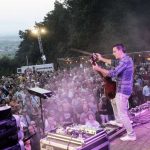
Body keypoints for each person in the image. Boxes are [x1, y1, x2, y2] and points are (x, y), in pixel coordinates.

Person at [92, 43, 136, 141]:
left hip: (123, 90)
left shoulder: (125, 61)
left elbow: (113, 73)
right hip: (123, 89)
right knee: (118, 107)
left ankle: (131, 135)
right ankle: (120, 122)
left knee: (122, 113)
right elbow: (113, 62)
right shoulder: (125, 59)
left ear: (120, 50)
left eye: (114, 51)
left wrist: (98, 68)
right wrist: (101, 58)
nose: (113, 53)